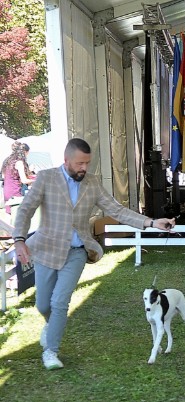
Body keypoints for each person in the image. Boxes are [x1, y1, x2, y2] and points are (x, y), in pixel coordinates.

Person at [13, 138, 175, 370]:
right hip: (46, 249)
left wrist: (150, 222)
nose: (84, 168)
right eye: (80, 163)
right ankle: (51, 325)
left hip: (78, 251)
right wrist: (19, 240)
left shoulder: (92, 183)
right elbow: (26, 209)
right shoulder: (46, 178)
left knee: (60, 302)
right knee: (43, 305)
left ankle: (51, 351)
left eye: (87, 163)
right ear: (66, 160)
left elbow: (116, 209)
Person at [3, 141, 35, 214]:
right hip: (15, 191)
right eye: (27, 154)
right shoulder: (19, 162)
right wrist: (36, 180)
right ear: (24, 152)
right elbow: (24, 180)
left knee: (10, 214)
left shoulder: (9, 161)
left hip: (6, 190)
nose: (27, 156)